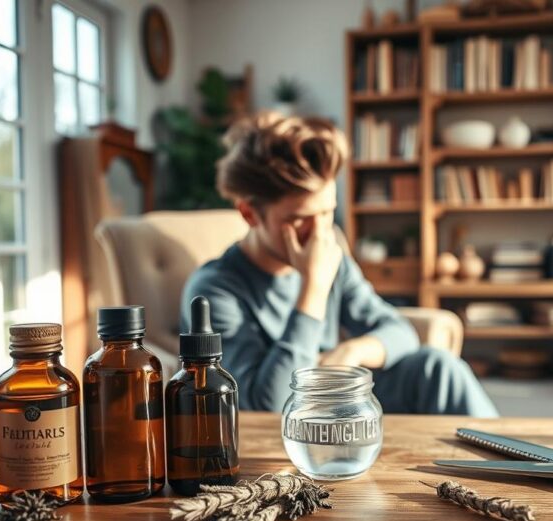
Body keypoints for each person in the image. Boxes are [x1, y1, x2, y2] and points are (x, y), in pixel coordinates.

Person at [181, 112, 498, 417]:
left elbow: (400, 331)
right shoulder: (214, 291)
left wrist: (350, 354)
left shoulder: (334, 259)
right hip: (292, 425)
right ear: (250, 214)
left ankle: (514, 465)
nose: (321, 234)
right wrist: (313, 288)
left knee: (438, 367)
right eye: (301, 219)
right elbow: (267, 406)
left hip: (344, 406)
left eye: (327, 212)